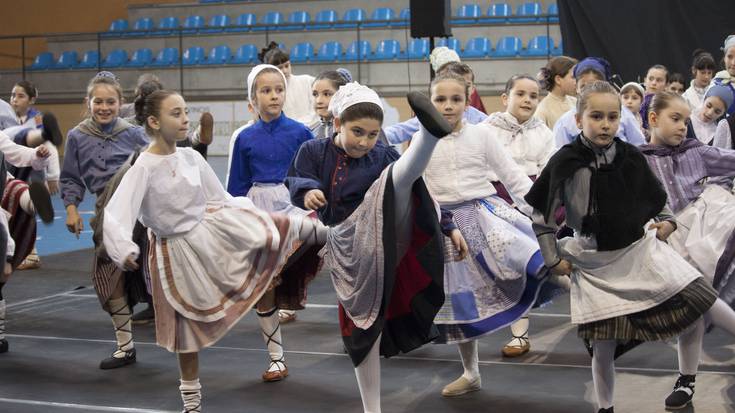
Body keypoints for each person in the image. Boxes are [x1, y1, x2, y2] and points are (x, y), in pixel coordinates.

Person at [103, 89, 328, 413]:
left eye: (185, 112)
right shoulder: (143, 167)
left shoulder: (192, 157)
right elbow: (117, 214)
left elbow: (220, 199)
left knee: (274, 232)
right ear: (154, 121)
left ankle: (335, 233)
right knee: (186, 332)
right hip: (174, 254)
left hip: (208, 233)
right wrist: (123, 249)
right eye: (176, 113)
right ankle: (191, 404)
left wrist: (248, 217)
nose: (184, 119)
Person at [526, 80, 735, 412]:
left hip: (640, 251)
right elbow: (542, 219)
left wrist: (667, 220)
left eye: (612, 116)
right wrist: (552, 259)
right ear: (579, 120)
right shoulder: (565, 162)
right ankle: (605, 407)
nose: (605, 124)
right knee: (604, 343)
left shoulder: (628, 156)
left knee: (699, 297)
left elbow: (655, 198)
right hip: (596, 261)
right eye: (596, 116)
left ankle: (686, 378)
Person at [287, 83, 459, 412]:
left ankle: (429, 136)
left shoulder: (380, 153)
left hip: (384, 230)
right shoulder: (312, 150)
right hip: (345, 243)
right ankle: (372, 409)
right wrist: (308, 191)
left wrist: (448, 224)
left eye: (373, 134)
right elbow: (297, 178)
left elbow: (419, 192)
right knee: (365, 329)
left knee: (397, 177)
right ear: (336, 123)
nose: (365, 142)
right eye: (358, 132)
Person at [227, 63, 315, 379]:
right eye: (266, 90)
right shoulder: (244, 138)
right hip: (259, 210)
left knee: (333, 247)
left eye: (278, 89)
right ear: (253, 97)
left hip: (296, 205)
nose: (274, 96)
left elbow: (312, 176)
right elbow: (236, 185)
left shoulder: (301, 132)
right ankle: (276, 356)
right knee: (265, 281)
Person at [60, 71, 150, 369]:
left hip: (139, 214)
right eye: (98, 102)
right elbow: (71, 178)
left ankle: (182, 340)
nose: (104, 107)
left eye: (110, 102)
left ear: (120, 102)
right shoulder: (77, 136)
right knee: (108, 277)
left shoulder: (135, 133)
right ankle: (126, 347)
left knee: (157, 272)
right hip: (106, 216)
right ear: (89, 103)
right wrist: (71, 209)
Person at [553, 57, 646, 147]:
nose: (589, 91)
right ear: (576, 87)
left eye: (612, 118)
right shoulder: (565, 123)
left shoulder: (625, 115)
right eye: (583, 87)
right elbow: (560, 155)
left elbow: (639, 147)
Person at [259, 42, 318, 126]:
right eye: (280, 68)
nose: (285, 71)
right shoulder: (268, 93)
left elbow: (317, 110)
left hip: (312, 129)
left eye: (287, 66)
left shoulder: (308, 81)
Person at [535, 56, 578, 129]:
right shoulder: (542, 110)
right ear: (558, 79)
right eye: (573, 77)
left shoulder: (576, 102)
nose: (576, 81)